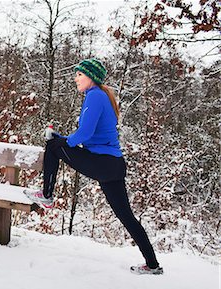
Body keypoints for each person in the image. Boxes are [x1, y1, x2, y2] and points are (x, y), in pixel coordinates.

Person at [24, 58, 163, 275]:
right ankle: (152, 264)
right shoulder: (99, 95)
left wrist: (59, 141)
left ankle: (47, 195)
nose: (75, 78)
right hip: (113, 165)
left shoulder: (95, 96)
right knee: (126, 216)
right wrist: (63, 139)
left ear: (91, 77)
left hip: (102, 162)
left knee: (51, 146)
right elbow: (86, 137)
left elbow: (85, 134)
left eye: (79, 74)